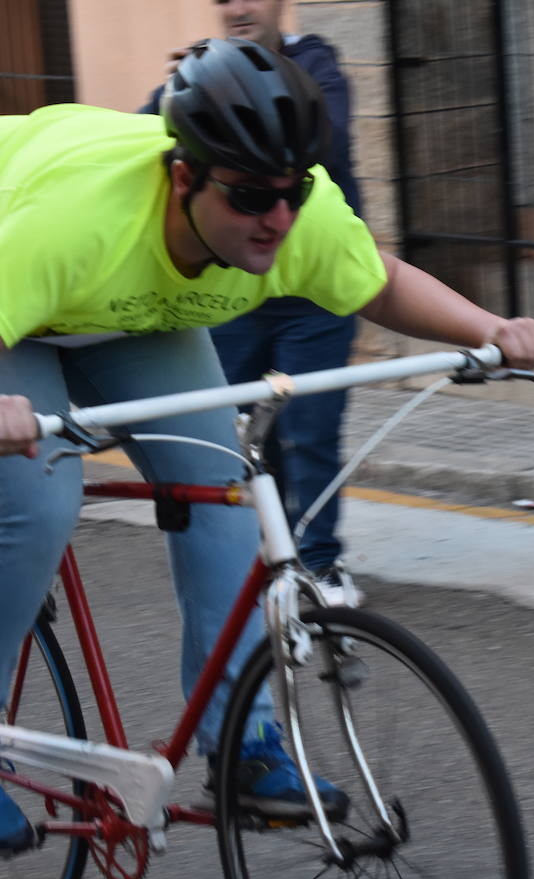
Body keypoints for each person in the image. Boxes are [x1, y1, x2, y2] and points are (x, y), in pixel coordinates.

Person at [0, 37, 534, 857]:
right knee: (39, 501)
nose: (279, 220)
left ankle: (244, 746)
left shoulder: (291, 217)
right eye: (254, 196)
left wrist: (490, 330)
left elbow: (379, 281)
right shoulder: (80, 225)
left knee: (225, 496)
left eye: (292, 192)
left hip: (121, 303)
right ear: (184, 178)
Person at [139, 0, 364, 607]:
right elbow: (137, 147)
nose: (237, 7)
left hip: (309, 289)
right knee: (241, 435)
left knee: (309, 429)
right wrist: (184, 97)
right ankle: (274, 557)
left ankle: (319, 564)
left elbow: (329, 141)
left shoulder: (315, 64)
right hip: (231, 288)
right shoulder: (204, 74)